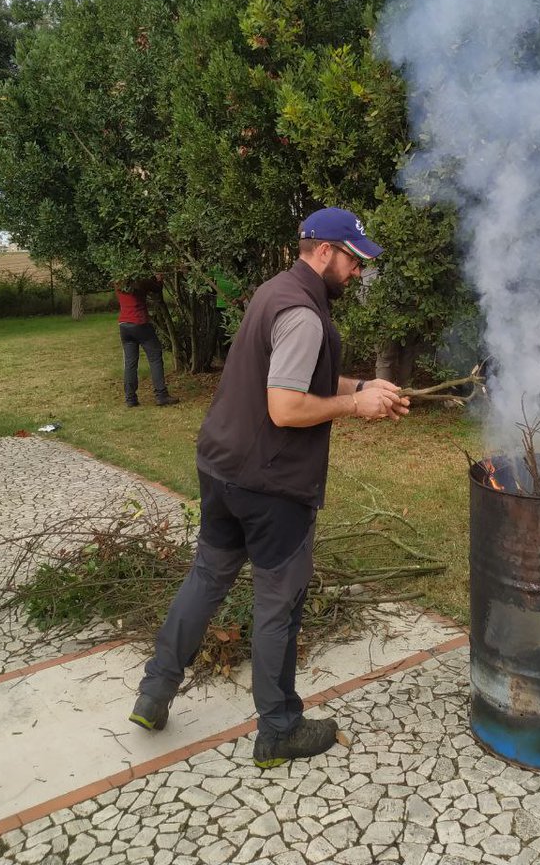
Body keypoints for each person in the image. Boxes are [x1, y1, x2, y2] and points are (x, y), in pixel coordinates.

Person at [128, 208, 409, 767]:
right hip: (270, 485)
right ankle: (278, 730)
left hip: (221, 468)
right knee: (277, 604)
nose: (357, 272)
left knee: (207, 577)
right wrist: (356, 405)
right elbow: (285, 405)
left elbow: (292, 372)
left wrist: (361, 383)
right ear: (324, 251)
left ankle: (154, 693)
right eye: (354, 260)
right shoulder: (305, 314)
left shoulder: (276, 291)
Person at [115, 275, 179, 407]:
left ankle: (130, 398)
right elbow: (156, 289)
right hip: (140, 322)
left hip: (124, 324)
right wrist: (159, 279)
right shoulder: (140, 280)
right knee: (155, 358)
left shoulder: (117, 281)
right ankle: (161, 395)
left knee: (130, 363)